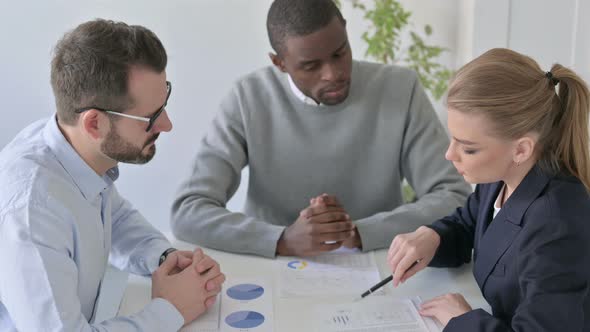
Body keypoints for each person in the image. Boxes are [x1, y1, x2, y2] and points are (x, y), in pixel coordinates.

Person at [170, 0, 471, 258]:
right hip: (270, 269)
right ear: (280, 63)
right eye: (312, 66)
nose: (334, 74)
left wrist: (360, 232)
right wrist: (281, 239)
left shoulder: (400, 88)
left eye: (340, 53)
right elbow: (188, 211)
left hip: (379, 262)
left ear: (346, 30)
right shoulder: (247, 98)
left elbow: (455, 195)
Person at [0, 19, 225, 331]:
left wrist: (164, 258)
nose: (167, 125)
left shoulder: (71, 148)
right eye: (150, 117)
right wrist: (171, 310)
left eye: (164, 105)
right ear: (94, 124)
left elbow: (114, 219)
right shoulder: (31, 211)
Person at [387, 48, 590, 331]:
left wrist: (463, 321)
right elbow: (470, 224)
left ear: (521, 149)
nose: (450, 154)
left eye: (468, 148)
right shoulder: (501, 178)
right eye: (453, 140)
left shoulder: (558, 223)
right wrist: (432, 237)